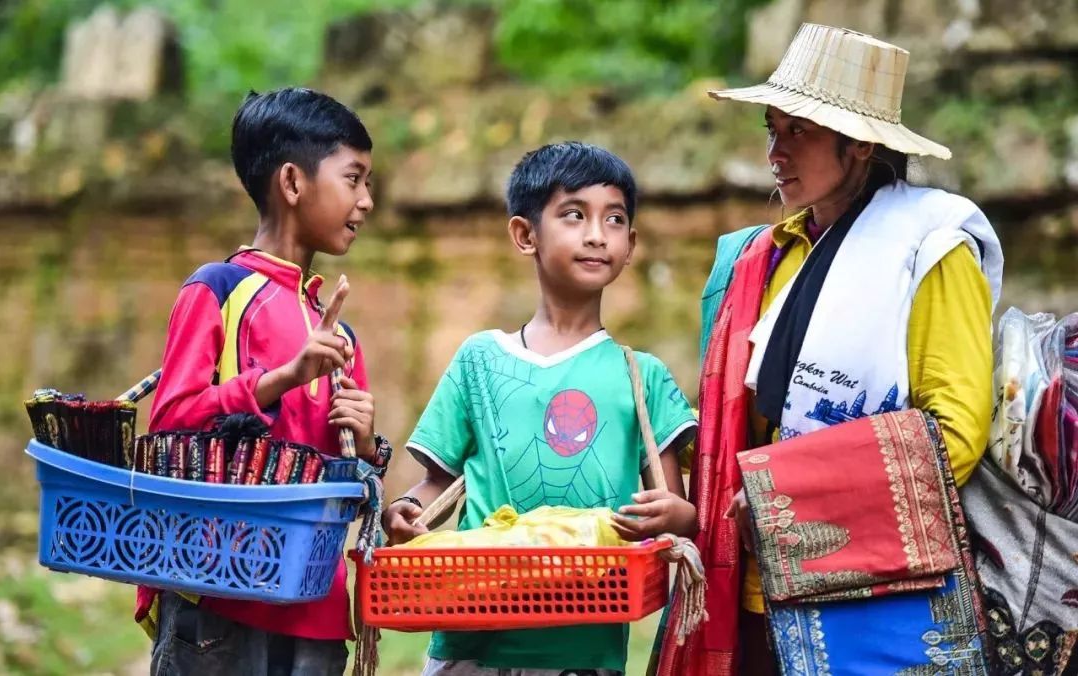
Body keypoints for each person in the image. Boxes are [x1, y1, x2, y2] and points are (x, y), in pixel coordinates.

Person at [653, 24, 1004, 676]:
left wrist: (788, 495)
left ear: (862, 143)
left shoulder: (931, 251)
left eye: (799, 132)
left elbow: (953, 436)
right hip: (753, 589)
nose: (775, 153)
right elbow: (749, 420)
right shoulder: (768, 258)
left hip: (871, 597)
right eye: (771, 129)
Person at [382, 142, 700, 676]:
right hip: (469, 642)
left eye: (615, 219)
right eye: (574, 215)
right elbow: (436, 484)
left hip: (586, 649)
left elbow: (678, 510)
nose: (597, 234)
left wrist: (677, 518)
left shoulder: (640, 375)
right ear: (525, 235)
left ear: (631, 244)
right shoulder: (479, 359)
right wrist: (405, 511)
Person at [141, 87, 382, 676]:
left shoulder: (338, 334)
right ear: (293, 182)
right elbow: (170, 423)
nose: (367, 201)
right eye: (353, 179)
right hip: (220, 595)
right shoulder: (218, 289)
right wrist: (283, 378)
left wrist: (366, 444)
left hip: (317, 607)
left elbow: (347, 482)